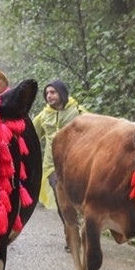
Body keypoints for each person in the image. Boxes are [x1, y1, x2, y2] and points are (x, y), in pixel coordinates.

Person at [32, 80, 85, 208]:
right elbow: (31, 135)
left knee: (78, 196)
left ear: (61, 93)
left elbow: (95, 131)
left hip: (76, 163)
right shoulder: (44, 116)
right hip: (52, 165)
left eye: (53, 92)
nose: (49, 96)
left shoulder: (78, 111)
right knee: (60, 196)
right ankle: (69, 225)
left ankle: (79, 222)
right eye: (47, 93)